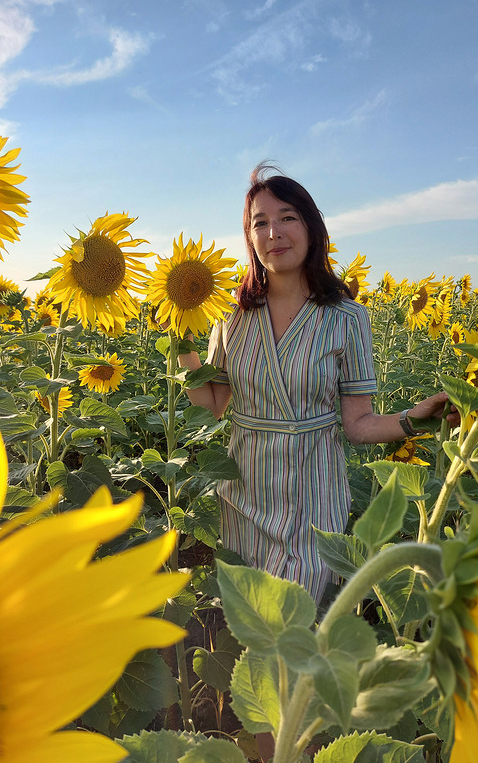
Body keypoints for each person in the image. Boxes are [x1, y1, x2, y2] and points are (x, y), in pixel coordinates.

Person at [180, 163, 459, 605]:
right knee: (252, 625)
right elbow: (211, 405)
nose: (275, 232)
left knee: (298, 625)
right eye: (260, 223)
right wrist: (180, 333)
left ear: (311, 226)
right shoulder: (231, 316)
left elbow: (358, 424)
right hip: (242, 500)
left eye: (287, 217)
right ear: (250, 239)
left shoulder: (347, 318)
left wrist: (413, 420)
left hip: (313, 500)